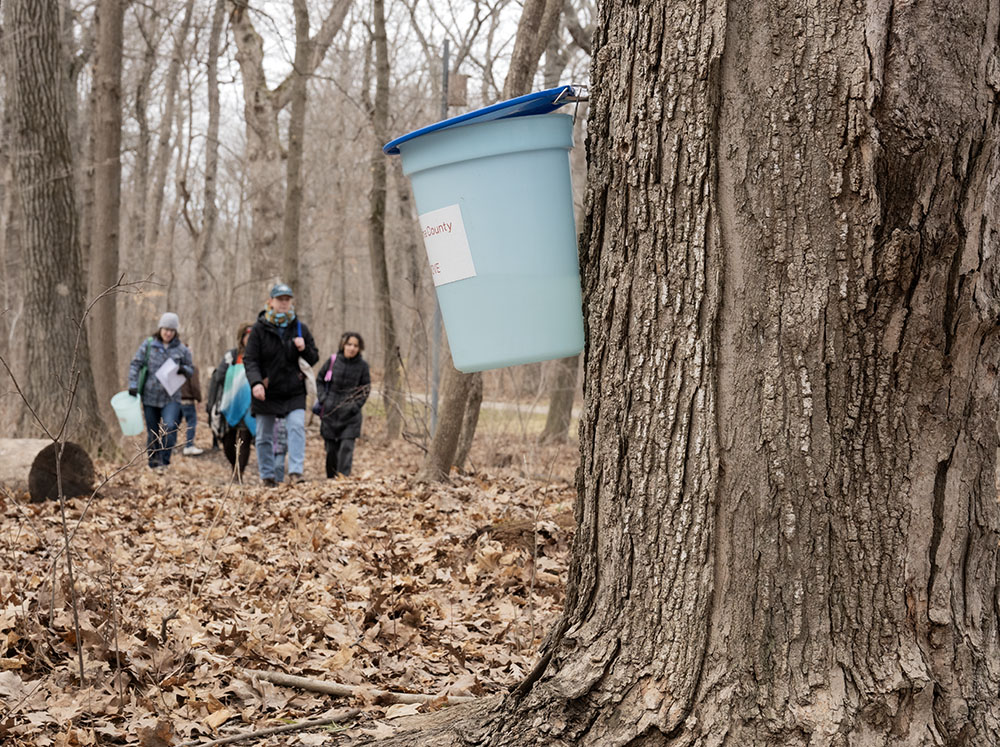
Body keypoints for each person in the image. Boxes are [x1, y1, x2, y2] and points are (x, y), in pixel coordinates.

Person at [244, 283, 318, 487]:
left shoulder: (300, 327)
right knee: (263, 436)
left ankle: (296, 472)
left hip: (293, 389)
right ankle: (267, 476)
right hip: (266, 390)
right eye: (280, 299)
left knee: (296, 428)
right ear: (271, 302)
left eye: (287, 299)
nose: (284, 303)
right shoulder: (259, 328)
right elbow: (250, 360)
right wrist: (256, 383)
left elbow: (313, 357)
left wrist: (304, 349)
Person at [127, 312, 194, 469]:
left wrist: (183, 369)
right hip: (150, 396)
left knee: (170, 427)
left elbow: (191, 369)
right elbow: (135, 364)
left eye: (172, 330)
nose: (168, 333)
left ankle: (164, 461)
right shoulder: (149, 345)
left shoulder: (182, 349)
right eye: (166, 329)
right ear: (160, 329)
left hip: (171, 397)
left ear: (175, 331)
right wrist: (133, 384)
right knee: (153, 431)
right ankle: (153, 462)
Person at [316, 332, 371, 478]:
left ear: (360, 348)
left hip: (351, 415)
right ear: (343, 345)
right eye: (349, 344)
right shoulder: (333, 361)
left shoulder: (363, 366)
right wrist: (323, 399)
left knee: (346, 448)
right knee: (331, 451)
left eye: (355, 346)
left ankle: (342, 481)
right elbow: (320, 379)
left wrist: (354, 406)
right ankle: (331, 480)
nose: (352, 348)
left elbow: (365, 389)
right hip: (330, 412)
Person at [206, 323, 255, 479]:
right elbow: (218, 377)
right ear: (242, 338)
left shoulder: (259, 358)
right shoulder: (232, 356)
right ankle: (235, 466)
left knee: (244, 439)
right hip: (228, 405)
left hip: (249, 407)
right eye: (248, 336)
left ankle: (238, 474)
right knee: (228, 442)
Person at [179, 363, 204, 456]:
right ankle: (189, 446)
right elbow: (195, 385)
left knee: (173, 424)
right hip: (188, 400)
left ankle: (167, 446)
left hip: (176, 401)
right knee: (191, 423)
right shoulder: (192, 368)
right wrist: (199, 399)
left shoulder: (175, 366)